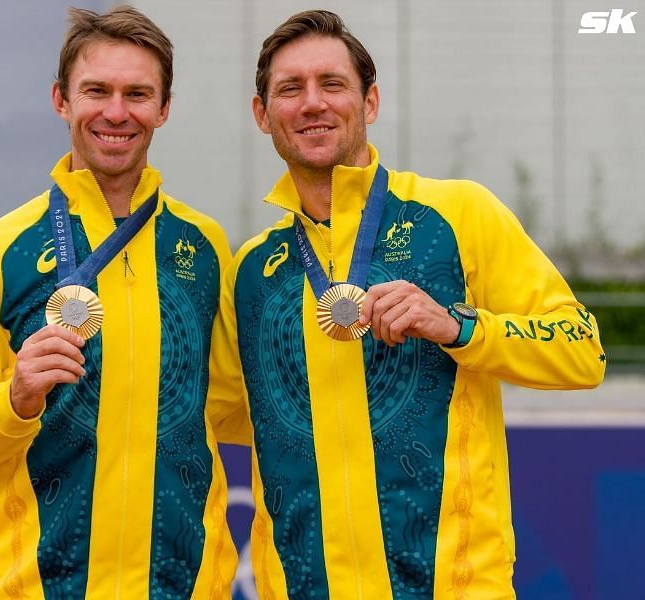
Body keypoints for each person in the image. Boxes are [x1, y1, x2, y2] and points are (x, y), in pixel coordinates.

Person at [217, 9, 607, 598]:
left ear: (370, 102)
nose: (312, 103)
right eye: (290, 89)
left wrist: (458, 328)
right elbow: (226, 410)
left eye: (333, 84)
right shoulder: (252, 268)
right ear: (261, 114)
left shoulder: (458, 214)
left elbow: (584, 352)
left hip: (454, 586)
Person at [0, 6, 246, 598]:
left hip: (185, 586)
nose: (116, 112)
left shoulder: (206, 246)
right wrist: (14, 399)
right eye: (96, 90)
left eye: (138, 94)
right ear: (61, 100)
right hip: (35, 587)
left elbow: (227, 408)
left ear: (164, 108)